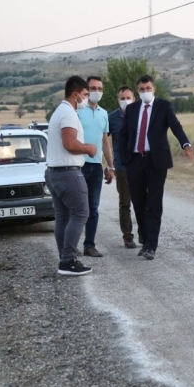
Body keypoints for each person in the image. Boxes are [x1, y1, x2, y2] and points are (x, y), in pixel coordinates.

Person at [119, 74, 194, 260]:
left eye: (148, 88)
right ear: (138, 91)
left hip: (156, 161)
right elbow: (122, 135)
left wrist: (186, 144)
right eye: (142, 89)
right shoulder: (132, 109)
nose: (145, 92)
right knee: (138, 203)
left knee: (154, 204)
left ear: (154, 89)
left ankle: (151, 245)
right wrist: (125, 157)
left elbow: (175, 126)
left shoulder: (164, 106)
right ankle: (145, 240)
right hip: (135, 161)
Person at [45, 76, 97, 276]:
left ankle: (65, 258)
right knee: (81, 213)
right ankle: (68, 261)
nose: (87, 98)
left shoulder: (59, 111)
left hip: (55, 172)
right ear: (76, 95)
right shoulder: (68, 114)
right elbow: (70, 144)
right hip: (68, 173)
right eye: (85, 94)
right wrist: (89, 148)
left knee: (63, 216)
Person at [77, 76, 114, 258]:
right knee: (77, 208)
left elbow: (105, 142)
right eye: (92, 88)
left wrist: (111, 166)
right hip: (78, 166)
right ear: (86, 89)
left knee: (93, 208)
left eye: (99, 88)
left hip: (96, 167)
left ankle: (89, 245)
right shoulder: (77, 110)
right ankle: (70, 246)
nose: (96, 92)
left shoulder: (103, 113)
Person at [108, 86, 139, 249]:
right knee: (125, 203)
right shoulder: (112, 118)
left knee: (142, 202)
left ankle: (144, 234)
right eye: (122, 98)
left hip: (140, 165)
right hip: (121, 166)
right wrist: (109, 165)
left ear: (134, 99)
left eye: (128, 98)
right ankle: (127, 236)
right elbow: (103, 139)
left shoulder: (141, 115)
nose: (125, 101)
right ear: (117, 100)